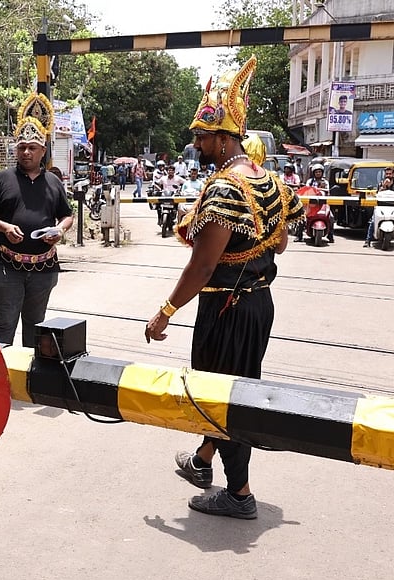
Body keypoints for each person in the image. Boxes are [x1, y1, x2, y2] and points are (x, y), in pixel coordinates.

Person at [145, 56, 304, 520]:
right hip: (259, 304)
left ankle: (239, 495)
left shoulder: (224, 188)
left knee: (222, 400)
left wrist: (166, 310)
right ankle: (202, 461)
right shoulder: (269, 181)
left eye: (201, 136)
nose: (196, 144)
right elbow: (282, 242)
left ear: (224, 137)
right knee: (237, 388)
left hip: (226, 309)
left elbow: (202, 265)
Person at [0, 94, 74, 347]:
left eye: (32, 147)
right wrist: (4, 227)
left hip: (43, 269)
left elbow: (67, 214)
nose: (26, 152)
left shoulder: (53, 181)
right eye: (22, 147)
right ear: (15, 149)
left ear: (43, 150)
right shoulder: (1, 179)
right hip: (7, 267)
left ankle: (29, 380)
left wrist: (60, 230)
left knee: (36, 327)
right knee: (5, 323)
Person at [364, 166, 394, 249]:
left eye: (390, 174)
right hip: (381, 206)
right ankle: (367, 241)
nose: (388, 175)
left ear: (393, 174)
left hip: (393, 207)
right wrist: (384, 186)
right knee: (373, 220)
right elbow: (377, 194)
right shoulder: (381, 184)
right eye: (387, 174)